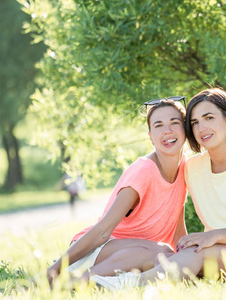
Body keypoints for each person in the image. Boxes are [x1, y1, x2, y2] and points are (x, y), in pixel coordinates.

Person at [92, 88, 226, 288]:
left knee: (199, 254)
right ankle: (92, 279)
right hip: (219, 249)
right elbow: (177, 219)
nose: (201, 128)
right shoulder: (193, 167)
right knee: (179, 256)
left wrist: (210, 236)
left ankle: (125, 285)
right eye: (195, 122)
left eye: (209, 118)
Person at [45, 97, 188, 286]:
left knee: (169, 256)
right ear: (151, 137)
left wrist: (189, 258)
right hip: (97, 250)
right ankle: (76, 281)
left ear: (186, 129)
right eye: (159, 125)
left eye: (174, 123)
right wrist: (53, 269)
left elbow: (178, 232)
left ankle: (98, 282)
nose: (167, 130)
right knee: (162, 253)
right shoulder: (144, 171)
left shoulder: (185, 168)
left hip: (142, 253)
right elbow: (103, 230)